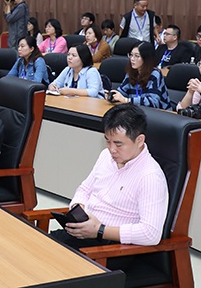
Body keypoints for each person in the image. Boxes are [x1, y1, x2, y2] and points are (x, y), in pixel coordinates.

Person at [52, 103, 167, 250]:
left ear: (139, 141)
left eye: (118, 144)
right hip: (84, 234)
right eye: (108, 141)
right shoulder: (106, 156)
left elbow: (151, 234)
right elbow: (85, 189)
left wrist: (99, 230)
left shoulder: (150, 176)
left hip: (112, 248)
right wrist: (78, 208)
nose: (112, 149)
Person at [107, 42, 171, 110]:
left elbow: (153, 103)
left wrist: (127, 100)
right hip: (135, 111)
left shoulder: (155, 74)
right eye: (131, 55)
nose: (132, 59)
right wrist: (113, 95)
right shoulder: (131, 72)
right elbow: (122, 92)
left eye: (137, 56)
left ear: (146, 58)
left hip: (159, 113)